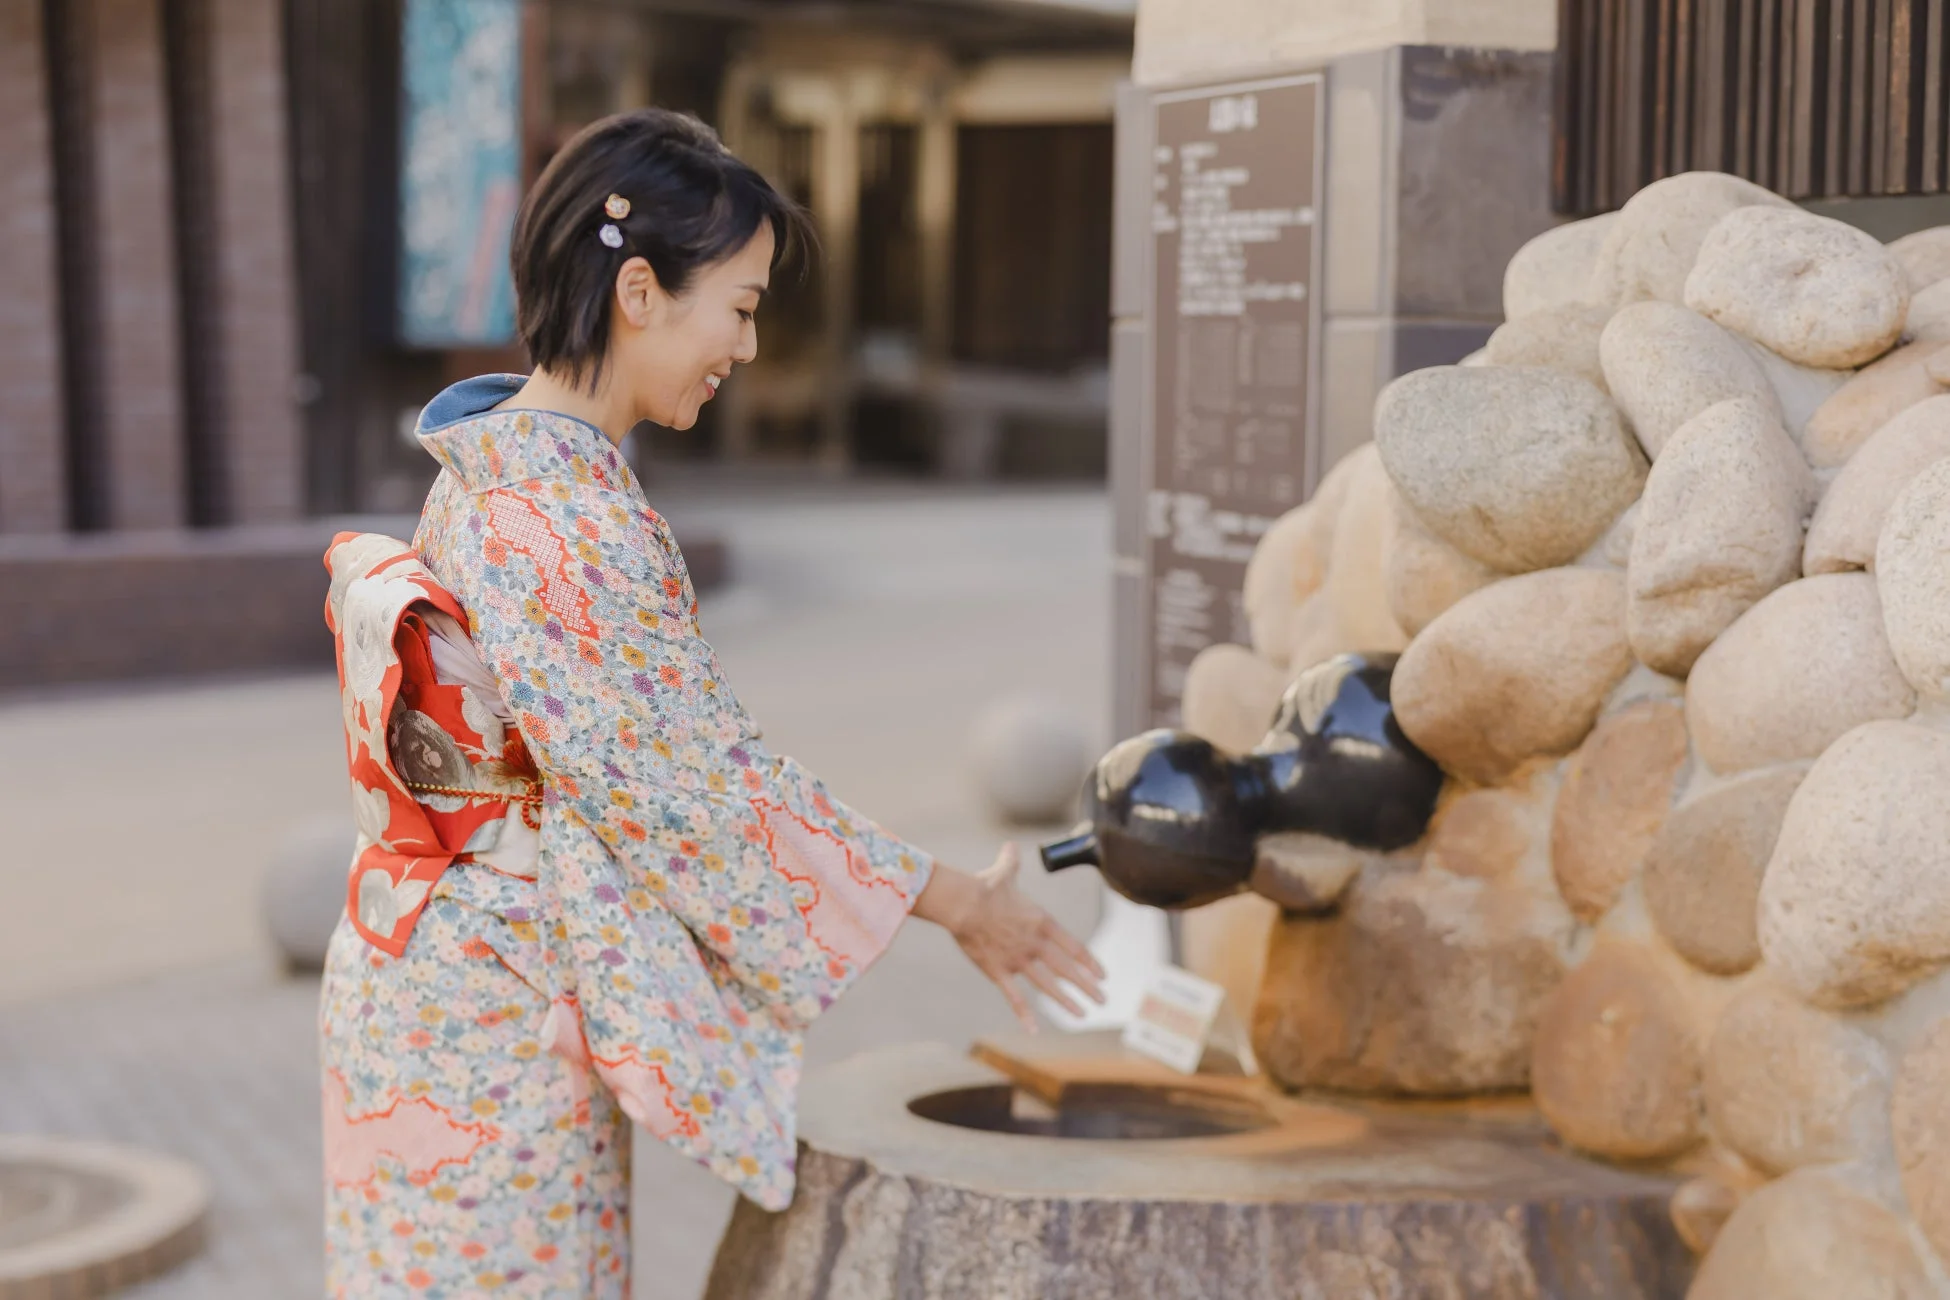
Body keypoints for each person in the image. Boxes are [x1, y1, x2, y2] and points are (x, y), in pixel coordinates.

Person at [318, 108, 1104, 1297]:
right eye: (738, 307)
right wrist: (950, 898)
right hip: (485, 1018)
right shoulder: (564, 521)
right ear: (639, 292)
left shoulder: (498, 464)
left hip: (433, 977)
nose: (747, 342)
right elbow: (693, 793)